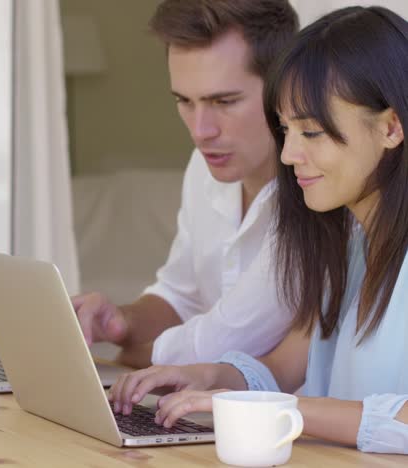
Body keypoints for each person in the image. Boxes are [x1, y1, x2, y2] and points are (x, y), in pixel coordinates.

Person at [108, 6, 408, 454]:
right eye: (286, 130)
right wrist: (208, 378)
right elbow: (283, 367)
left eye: (311, 132)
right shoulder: (350, 242)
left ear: (390, 127)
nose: (288, 155)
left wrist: (284, 411)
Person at [72, 0, 299, 368]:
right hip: (201, 414)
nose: (200, 131)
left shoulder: (316, 193)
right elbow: (180, 297)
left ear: (285, 87)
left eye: (224, 101)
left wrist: (131, 356)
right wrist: (121, 321)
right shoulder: (203, 166)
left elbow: (217, 343)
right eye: (184, 101)